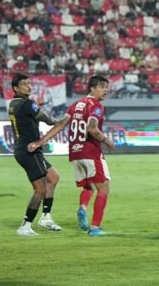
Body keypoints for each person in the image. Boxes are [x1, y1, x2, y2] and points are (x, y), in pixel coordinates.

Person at [9, 73, 69, 236]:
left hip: (25, 148)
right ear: (15, 88)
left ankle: (46, 217)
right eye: (24, 84)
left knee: (53, 177)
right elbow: (48, 120)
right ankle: (25, 225)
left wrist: (37, 107)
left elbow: (29, 117)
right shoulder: (27, 103)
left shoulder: (14, 104)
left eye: (29, 83)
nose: (29, 86)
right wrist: (60, 120)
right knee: (40, 189)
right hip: (30, 149)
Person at [64, 75, 114, 236]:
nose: (105, 90)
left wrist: (41, 141)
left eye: (106, 86)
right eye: (101, 86)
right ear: (91, 88)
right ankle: (95, 227)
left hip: (75, 152)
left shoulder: (75, 105)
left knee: (88, 186)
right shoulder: (96, 105)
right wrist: (107, 141)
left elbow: (61, 123)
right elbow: (92, 128)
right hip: (91, 151)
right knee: (104, 187)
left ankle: (82, 208)